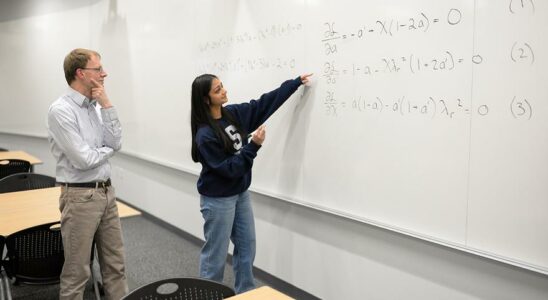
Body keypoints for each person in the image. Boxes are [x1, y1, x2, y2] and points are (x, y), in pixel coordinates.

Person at [190, 73, 312, 293]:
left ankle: (245, 293)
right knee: (215, 257)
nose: (224, 90)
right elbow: (230, 170)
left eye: (222, 85)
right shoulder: (205, 135)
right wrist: (253, 146)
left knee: (246, 249)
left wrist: (293, 84)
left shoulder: (233, 114)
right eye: (218, 90)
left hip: (240, 194)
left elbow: (263, 104)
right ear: (206, 99)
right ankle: (207, 295)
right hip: (218, 200)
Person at [47, 48, 128, 300]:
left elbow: (116, 141)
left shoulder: (95, 106)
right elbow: (84, 160)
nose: (105, 73)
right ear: (81, 73)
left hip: (106, 191)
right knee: (77, 273)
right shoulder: (61, 110)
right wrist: (107, 149)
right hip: (80, 197)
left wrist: (106, 104)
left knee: (116, 266)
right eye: (98, 69)